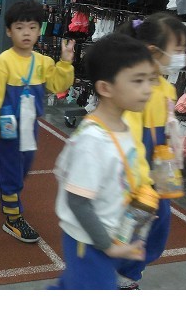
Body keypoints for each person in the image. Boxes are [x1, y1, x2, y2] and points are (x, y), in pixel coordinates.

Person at [50, 33, 157, 289]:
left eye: (150, 79)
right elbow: (78, 202)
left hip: (106, 234)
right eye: (137, 81)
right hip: (89, 242)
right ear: (105, 88)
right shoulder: (93, 141)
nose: (148, 89)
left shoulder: (122, 127)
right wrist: (107, 246)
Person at [0, 0, 75, 243]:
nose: (26, 33)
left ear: (39, 30)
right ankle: (13, 218)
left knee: (22, 168)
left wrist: (65, 63)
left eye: (32, 27)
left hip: (30, 126)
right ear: (9, 31)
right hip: (7, 127)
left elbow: (57, 86)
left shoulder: (43, 62)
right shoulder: (3, 62)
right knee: (12, 172)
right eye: (20, 28)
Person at [114, 12, 186, 289]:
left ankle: (130, 273)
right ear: (153, 50)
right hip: (137, 174)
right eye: (177, 49)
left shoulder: (168, 89)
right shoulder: (138, 89)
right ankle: (123, 276)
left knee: (158, 225)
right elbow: (132, 138)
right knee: (131, 225)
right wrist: (139, 180)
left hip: (160, 170)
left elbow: (166, 131)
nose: (182, 56)